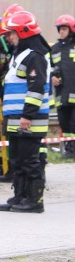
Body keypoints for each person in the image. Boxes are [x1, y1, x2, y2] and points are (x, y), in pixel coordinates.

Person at [0, 11, 51, 213]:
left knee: (30, 161)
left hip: (29, 120)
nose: (9, 38)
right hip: (16, 119)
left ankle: (35, 201)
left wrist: (27, 116)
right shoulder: (20, 57)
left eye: (12, 34)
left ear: (24, 33)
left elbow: (36, 88)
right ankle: (20, 196)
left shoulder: (35, 57)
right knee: (18, 161)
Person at [0, 4, 24, 183]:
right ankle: (8, 167)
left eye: (10, 33)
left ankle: (11, 169)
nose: (8, 38)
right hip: (11, 96)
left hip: (10, 98)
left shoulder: (22, 50)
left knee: (8, 133)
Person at [50, 14, 75, 159]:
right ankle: (69, 150)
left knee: (74, 124)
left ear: (71, 30)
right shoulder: (55, 49)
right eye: (60, 29)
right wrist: (53, 76)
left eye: (64, 29)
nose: (61, 32)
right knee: (64, 124)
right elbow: (51, 68)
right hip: (61, 95)